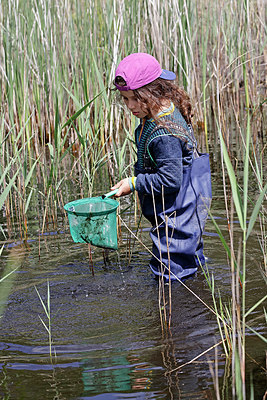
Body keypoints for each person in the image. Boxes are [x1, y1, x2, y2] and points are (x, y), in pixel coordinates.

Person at [111, 53, 212, 282]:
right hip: (181, 207)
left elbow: (170, 180)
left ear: (154, 92)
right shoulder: (159, 110)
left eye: (135, 99)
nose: (130, 106)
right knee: (189, 262)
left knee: (170, 273)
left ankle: (177, 313)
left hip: (177, 210)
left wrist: (134, 183)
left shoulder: (165, 134)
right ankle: (199, 296)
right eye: (125, 99)